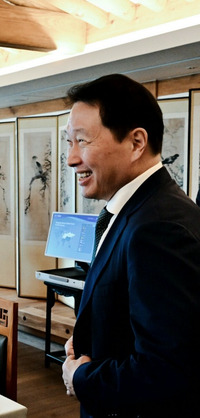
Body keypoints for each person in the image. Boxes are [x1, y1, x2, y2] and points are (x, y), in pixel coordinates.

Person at [62, 73, 200, 417]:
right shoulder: (132, 211)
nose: (71, 159)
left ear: (137, 142)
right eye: (69, 142)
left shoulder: (160, 227)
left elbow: (167, 370)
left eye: (82, 140)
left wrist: (83, 377)